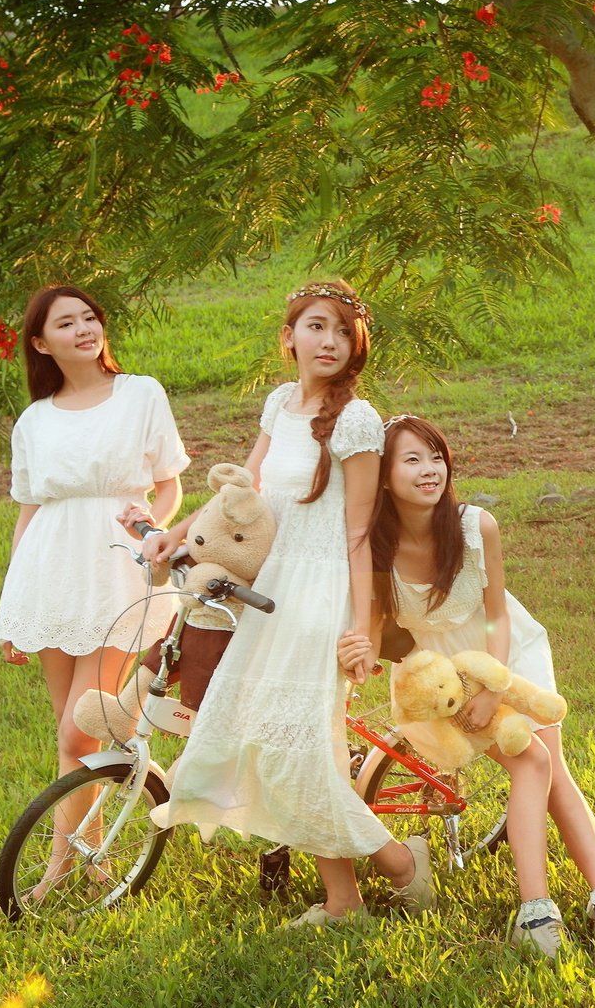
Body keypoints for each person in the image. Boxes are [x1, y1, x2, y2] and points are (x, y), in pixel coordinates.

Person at [141, 282, 432, 927]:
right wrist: (178, 534)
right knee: (271, 741)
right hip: (270, 588)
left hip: (322, 593)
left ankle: (397, 867)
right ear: (290, 336)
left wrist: (363, 627)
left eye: (343, 331)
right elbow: (243, 496)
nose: (330, 341)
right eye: (316, 326)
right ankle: (350, 896)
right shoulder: (279, 404)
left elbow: (361, 532)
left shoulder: (357, 420)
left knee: (298, 745)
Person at [370, 415, 595, 961]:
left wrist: (494, 684)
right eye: (412, 460)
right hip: (442, 676)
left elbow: (498, 614)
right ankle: (539, 912)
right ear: (384, 476)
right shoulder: (374, 546)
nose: (429, 469)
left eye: (436, 457)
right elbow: (376, 626)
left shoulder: (475, 525)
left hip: (505, 653)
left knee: (551, 771)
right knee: (534, 764)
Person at [0, 284, 189, 898]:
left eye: (89, 318)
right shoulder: (34, 420)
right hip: (51, 573)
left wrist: (153, 527)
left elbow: (169, 485)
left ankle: (57, 865)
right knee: (72, 728)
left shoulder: (140, 393)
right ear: (40, 343)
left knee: (80, 730)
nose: (83, 329)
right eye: (66, 323)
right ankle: (92, 860)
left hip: (117, 568)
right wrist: (14, 610)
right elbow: (29, 512)